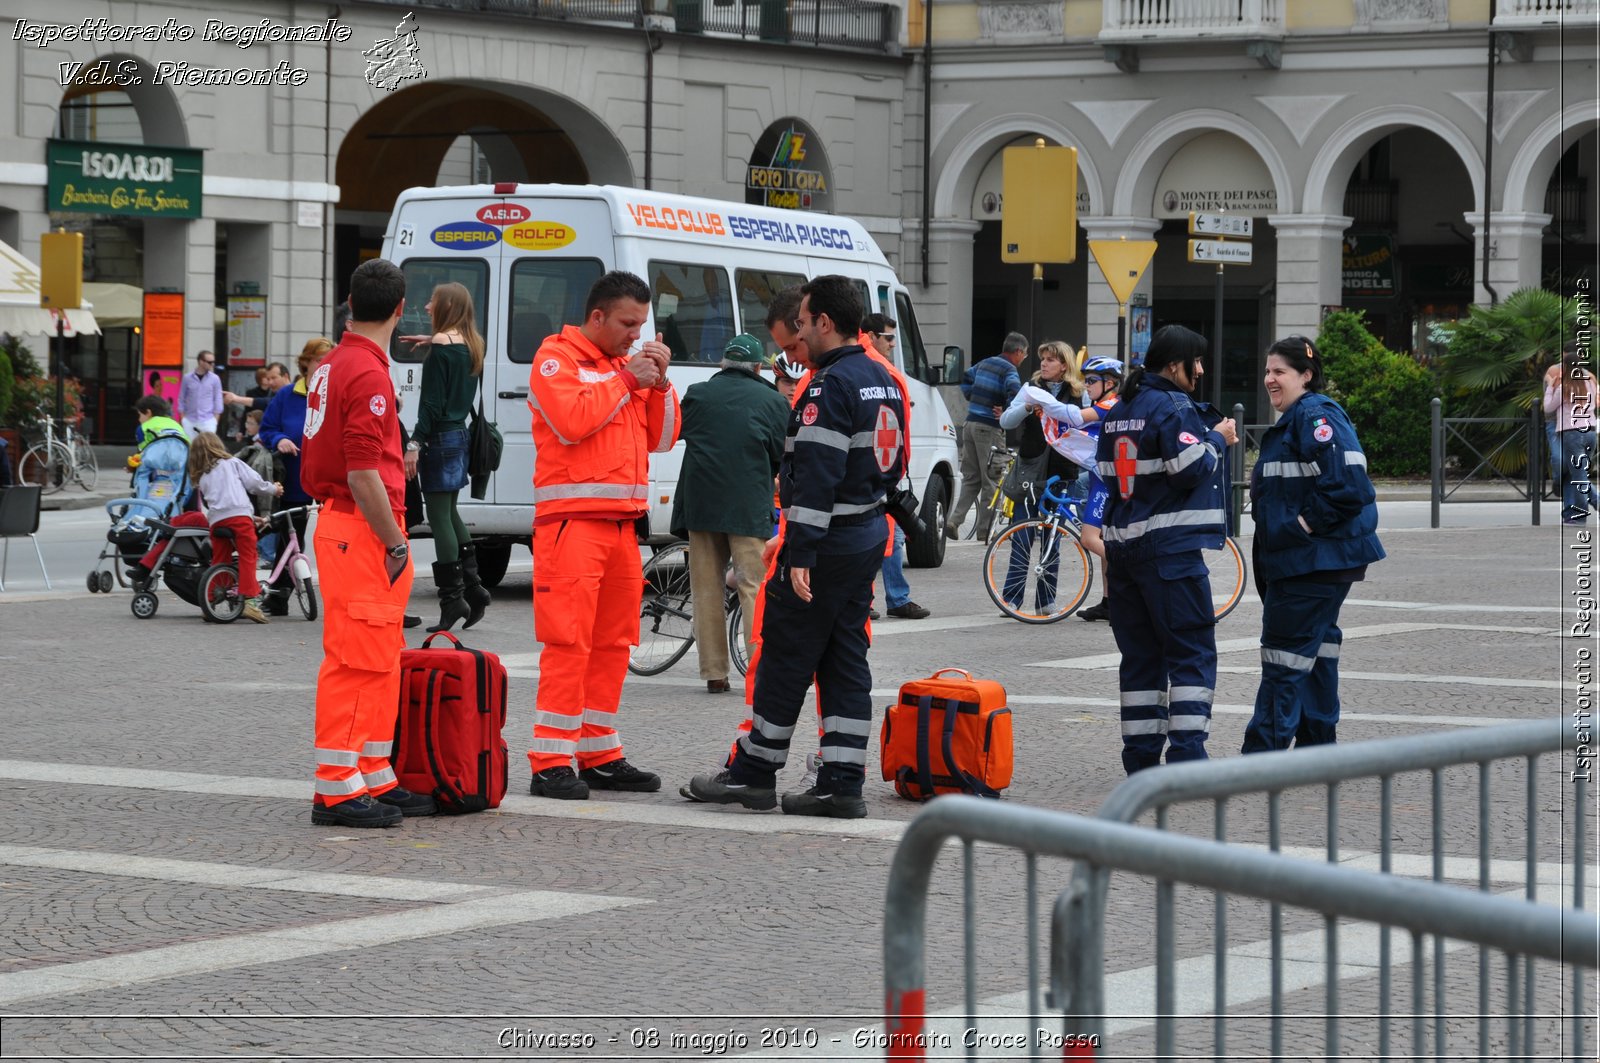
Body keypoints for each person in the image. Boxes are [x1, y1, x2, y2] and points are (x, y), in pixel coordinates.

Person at [686, 275, 905, 820]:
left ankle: (753, 772)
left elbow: (815, 478)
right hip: (866, 533)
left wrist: (801, 554)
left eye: (804, 322)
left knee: (785, 655)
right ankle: (841, 780)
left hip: (827, 542)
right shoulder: (881, 377)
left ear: (825, 322)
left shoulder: (831, 385)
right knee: (844, 660)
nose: (800, 332)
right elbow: (895, 468)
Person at [525, 270, 679, 801]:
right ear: (597, 317)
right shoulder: (556, 358)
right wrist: (628, 381)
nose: (635, 334)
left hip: (620, 526)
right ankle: (549, 761)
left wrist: (661, 384)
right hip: (572, 526)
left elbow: (662, 439)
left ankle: (599, 753)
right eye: (627, 323)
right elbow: (570, 421)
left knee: (614, 643)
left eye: (641, 324)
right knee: (569, 643)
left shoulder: (621, 366)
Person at [300, 258, 435, 828]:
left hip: (347, 525)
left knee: (377, 660)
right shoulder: (369, 372)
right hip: (362, 528)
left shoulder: (333, 363)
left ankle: (370, 771)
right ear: (401, 310)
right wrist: (395, 543)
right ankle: (336, 786)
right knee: (357, 662)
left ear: (349, 303)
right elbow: (363, 473)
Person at [1095, 324, 1237, 775]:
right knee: (1191, 652)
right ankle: (1187, 755)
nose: (1199, 371)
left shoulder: (1121, 408)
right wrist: (1219, 438)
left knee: (1140, 659)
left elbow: (1103, 472)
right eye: (1195, 362)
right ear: (1174, 365)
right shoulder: (1173, 405)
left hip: (1122, 553)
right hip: (1169, 555)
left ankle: (1139, 758)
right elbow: (1189, 469)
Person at [1242, 335, 1385, 753]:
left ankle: (1259, 758)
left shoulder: (1315, 415)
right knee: (1316, 652)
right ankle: (1317, 749)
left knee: (1284, 659)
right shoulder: (1299, 417)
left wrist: (1299, 527)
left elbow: (1350, 487)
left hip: (1310, 562)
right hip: (1313, 561)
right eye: (1267, 371)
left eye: (1279, 372)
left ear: (1306, 376)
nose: (1270, 379)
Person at [673, 333, 790, 693]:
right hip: (747, 506)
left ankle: (714, 673)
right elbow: (779, 454)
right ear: (758, 368)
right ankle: (759, 668)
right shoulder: (772, 402)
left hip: (702, 505)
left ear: (723, 363)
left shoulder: (697, 393)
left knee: (706, 589)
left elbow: (680, 433)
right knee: (753, 586)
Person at [399, 282, 493, 632]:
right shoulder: (472, 344)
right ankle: (474, 589)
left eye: (432, 301)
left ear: (447, 306)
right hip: (460, 436)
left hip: (438, 438)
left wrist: (414, 443)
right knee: (450, 512)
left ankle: (453, 599)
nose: (426, 307)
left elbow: (431, 404)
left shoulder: (442, 348)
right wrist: (431, 340)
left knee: (438, 516)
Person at [996, 341, 1096, 614]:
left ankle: (1045, 600)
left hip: (1062, 471)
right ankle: (1012, 598)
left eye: (1051, 360)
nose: (1044, 364)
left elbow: (1087, 424)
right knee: (1022, 534)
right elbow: (1006, 421)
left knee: (1054, 536)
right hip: (1031, 468)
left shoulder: (1078, 392)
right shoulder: (1030, 389)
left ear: (1064, 365)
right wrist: (1028, 407)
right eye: (1043, 359)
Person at [860, 313, 929, 621]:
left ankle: (892, 598)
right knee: (880, 536)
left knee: (893, 535)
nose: (892, 344)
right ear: (871, 336)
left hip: (883, 469)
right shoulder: (875, 368)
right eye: (888, 337)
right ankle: (877, 598)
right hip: (876, 470)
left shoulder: (877, 367)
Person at [258, 337, 334, 616]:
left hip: (329, 475)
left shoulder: (335, 392)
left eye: (329, 360)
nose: (325, 365)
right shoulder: (287, 395)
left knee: (339, 536)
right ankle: (279, 595)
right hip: (294, 474)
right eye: (319, 360)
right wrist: (279, 440)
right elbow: (267, 429)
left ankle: (343, 595)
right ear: (306, 363)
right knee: (291, 534)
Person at [186, 430, 283, 624]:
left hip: (217, 522)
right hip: (239, 520)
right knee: (249, 555)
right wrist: (274, 489)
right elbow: (254, 483)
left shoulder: (203, 477)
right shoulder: (233, 463)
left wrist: (249, 515)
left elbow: (220, 503)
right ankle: (249, 601)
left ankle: (211, 601)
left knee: (220, 559)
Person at [947, 332, 1026, 541]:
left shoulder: (984, 363)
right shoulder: (1009, 369)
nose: (1023, 359)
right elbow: (1016, 393)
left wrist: (973, 396)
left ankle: (954, 520)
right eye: (1024, 355)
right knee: (992, 479)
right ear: (1018, 352)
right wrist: (1007, 411)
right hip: (989, 428)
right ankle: (986, 531)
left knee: (971, 479)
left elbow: (965, 378)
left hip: (970, 424)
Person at [1073, 357, 1123, 622]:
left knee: (1090, 539)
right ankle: (1109, 602)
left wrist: (1041, 403)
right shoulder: (1102, 403)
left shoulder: (1111, 403)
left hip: (1105, 480)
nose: (1086, 385)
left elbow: (1076, 418)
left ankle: (1132, 564)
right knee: (1104, 539)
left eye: (1092, 381)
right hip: (1098, 476)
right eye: (1085, 380)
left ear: (1110, 383)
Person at [1545, 344, 1596, 526]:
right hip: (1590, 432)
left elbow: (1548, 407)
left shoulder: (1564, 386)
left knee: (1579, 476)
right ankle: (1575, 514)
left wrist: (1551, 387)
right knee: (1579, 473)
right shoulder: (1589, 381)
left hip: (1571, 433)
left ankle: (1585, 512)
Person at [178, 350, 225, 435]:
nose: (212, 364)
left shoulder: (215, 379)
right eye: (210, 362)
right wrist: (183, 418)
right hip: (189, 420)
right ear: (201, 362)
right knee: (191, 446)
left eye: (213, 362)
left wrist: (215, 420)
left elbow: (218, 398)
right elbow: (181, 398)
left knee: (207, 447)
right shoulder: (187, 378)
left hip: (208, 420)